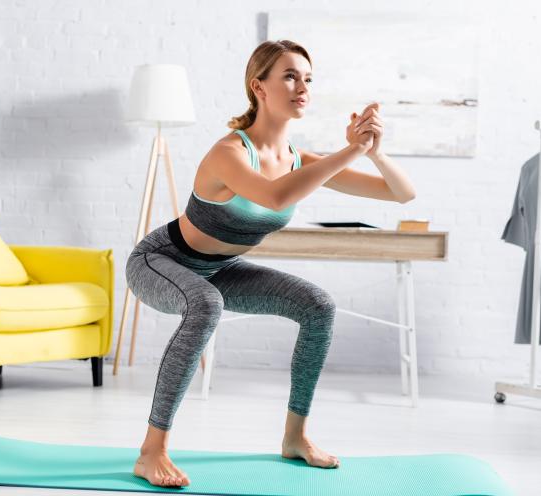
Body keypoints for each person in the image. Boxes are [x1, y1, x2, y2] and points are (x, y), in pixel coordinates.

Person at [126, 39, 416, 488]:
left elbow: (401, 193)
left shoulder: (301, 160)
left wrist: (374, 150)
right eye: (289, 76)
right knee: (205, 305)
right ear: (258, 86)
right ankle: (151, 451)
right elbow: (276, 195)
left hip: (220, 269)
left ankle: (295, 438)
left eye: (308, 78)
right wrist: (351, 152)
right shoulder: (229, 152)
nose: (302, 86)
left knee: (317, 305)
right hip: (161, 260)